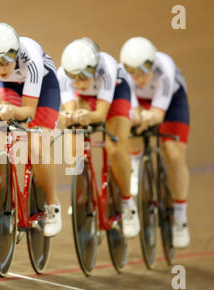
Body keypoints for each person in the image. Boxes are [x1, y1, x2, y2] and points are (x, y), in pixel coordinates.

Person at [0, 23, 62, 237]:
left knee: (37, 145)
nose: (0, 68)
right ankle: (11, 201)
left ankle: (53, 205)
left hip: (43, 88)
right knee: (0, 140)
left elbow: (28, 112)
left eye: (6, 61)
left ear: (16, 53)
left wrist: (12, 112)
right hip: (10, 89)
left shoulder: (31, 59)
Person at [57, 38, 140, 239]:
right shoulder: (62, 74)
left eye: (83, 76)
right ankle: (84, 193)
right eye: (73, 77)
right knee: (74, 134)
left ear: (94, 69)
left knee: (114, 147)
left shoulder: (108, 67)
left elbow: (101, 115)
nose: (78, 82)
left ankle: (128, 204)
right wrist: (69, 117)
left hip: (117, 95)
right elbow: (70, 111)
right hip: (87, 98)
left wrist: (87, 116)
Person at [119, 36, 190, 248]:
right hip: (140, 103)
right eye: (134, 73)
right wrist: (137, 117)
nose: (138, 79)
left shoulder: (164, 68)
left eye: (143, 72)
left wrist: (147, 117)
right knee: (130, 127)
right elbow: (131, 111)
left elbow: (158, 116)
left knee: (174, 155)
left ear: (152, 65)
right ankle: (135, 165)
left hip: (172, 102)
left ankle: (180, 216)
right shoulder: (124, 74)